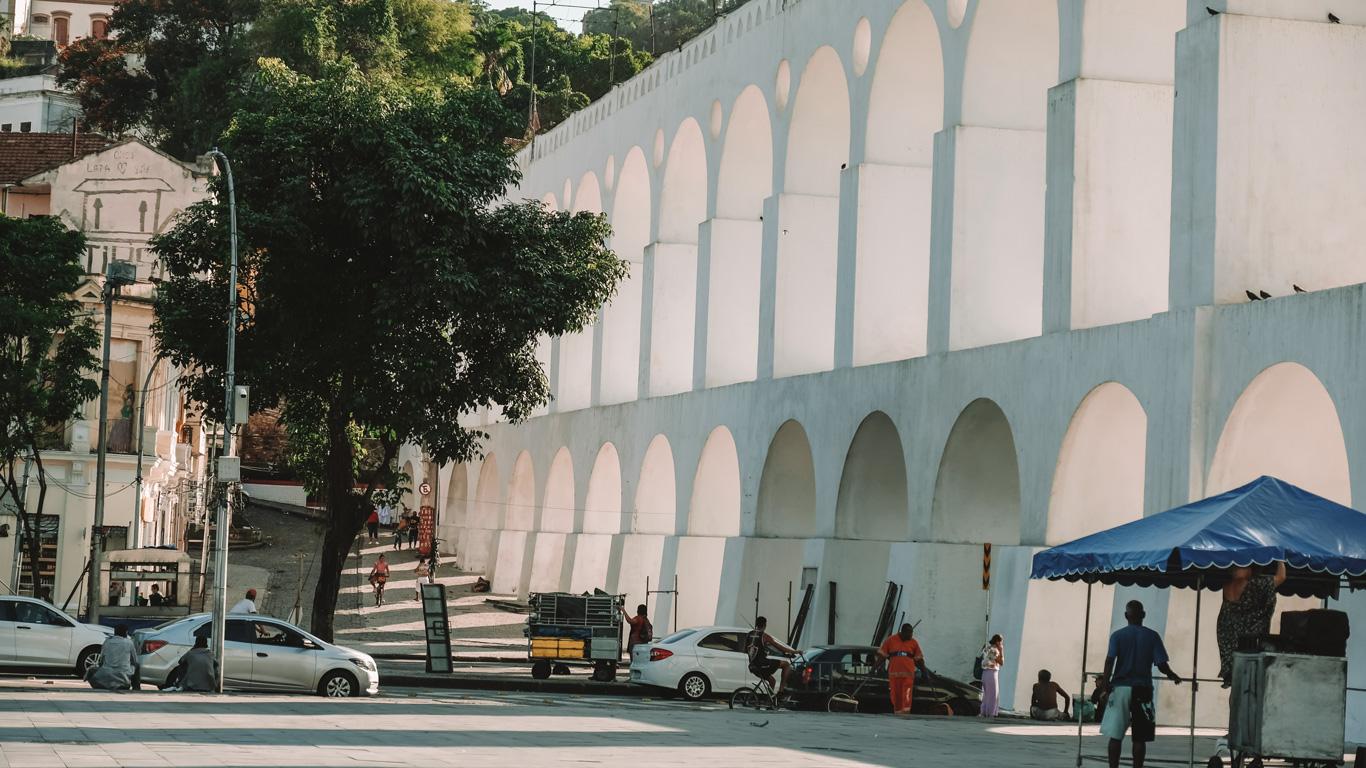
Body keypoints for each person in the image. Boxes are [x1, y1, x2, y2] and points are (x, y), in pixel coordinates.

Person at [1100, 600, 1183, 768]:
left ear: (1126, 616)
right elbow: (1161, 664)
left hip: (1121, 687)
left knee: (1115, 736)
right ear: (1143, 615)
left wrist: (1105, 686)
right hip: (1143, 689)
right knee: (1139, 738)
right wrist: (1172, 675)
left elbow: (1109, 661)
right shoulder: (1152, 636)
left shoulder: (1117, 636)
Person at [1217, 561, 1286, 685]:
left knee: (1239, 686)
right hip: (1248, 647)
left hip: (1232, 647)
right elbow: (1281, 577)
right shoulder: (1253, 584)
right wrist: (1280, 560)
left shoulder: (1226, 587)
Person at [876, 623, 927, 715]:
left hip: (908, 676)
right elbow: (882, 656)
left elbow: (919, 659)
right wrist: (874, 668)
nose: (911, 635)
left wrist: (924, 672)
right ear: (903, 632)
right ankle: (898, 714)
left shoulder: (913, 643)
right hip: (894, 676)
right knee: (896, 697)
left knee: (907, 695)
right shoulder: (890, 640)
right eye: (909, 633)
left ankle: (906, 714)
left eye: (912, 633)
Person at [745, 616, 798, 693]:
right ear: (764, 625)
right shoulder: (764, 636)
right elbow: (780, 648)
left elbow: (749, 649)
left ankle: (769, 701)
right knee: (786, 664)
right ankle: (781, 691)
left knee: (772, 681)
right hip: (763, 664)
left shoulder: (749, 635)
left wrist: (763, 650)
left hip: (753, 666)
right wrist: (795, 652)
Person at [87, 624, 139, 691]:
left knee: (91, 670)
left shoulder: (107, 642)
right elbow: (135, 661)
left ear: (115, 632)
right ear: (126, 632)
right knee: (137, 666)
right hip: (124, 677)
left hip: (106, 674)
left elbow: (101, 661)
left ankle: (101, 684)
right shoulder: (129, 643)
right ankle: (136, 688)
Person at [980, 634, 1004, 717]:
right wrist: (1001, 650)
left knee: (986, 694)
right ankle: (990, 713)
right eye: (1001, 642)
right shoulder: (994, 650)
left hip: (985, 673)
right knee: (993, 695)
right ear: (998, 642)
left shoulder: (987, 648)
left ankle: (984, 712)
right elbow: (1001, 662)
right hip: (991, 673)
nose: (1001, 644)